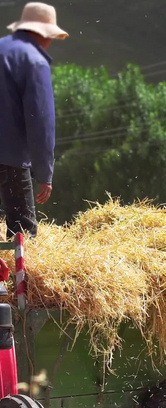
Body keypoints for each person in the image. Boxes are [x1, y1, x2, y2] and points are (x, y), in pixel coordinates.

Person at [0, 2, 68, 239]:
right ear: (42, 34)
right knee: (22, 233)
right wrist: (44, 174)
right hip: (10, 159)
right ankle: (18, 276)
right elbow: (41, 121)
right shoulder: (34, 61)